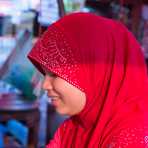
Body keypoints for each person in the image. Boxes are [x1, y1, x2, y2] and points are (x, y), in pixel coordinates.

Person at [27, 12, 148, 148]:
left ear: (96, 75)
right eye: (45, 74)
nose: (45, 85)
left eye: (54, 74)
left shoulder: (133, 139)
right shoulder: (74, 127)